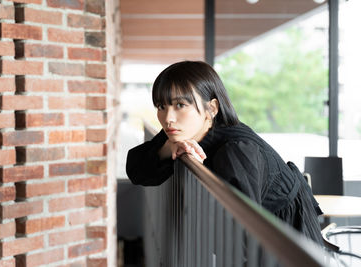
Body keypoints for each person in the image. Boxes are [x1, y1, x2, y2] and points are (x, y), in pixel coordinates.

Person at [126, 60, 324, 245]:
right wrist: (167, 149)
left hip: (289, 241)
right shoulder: (182, 129)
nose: (168, 117)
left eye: (180, 105)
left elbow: (238, 235)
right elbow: (135, 169)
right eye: (161, 106)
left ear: (211, 108)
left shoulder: (236, 150)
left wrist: (201, 176)